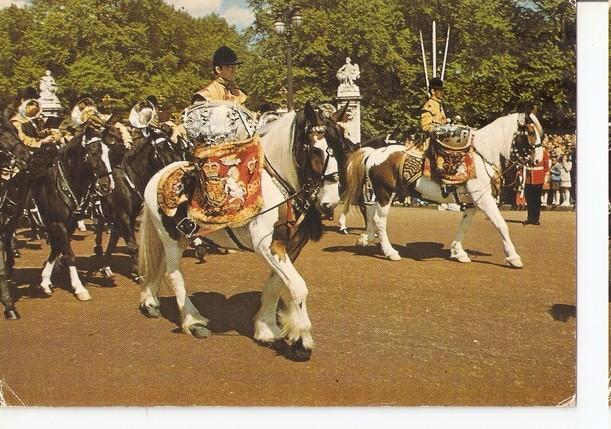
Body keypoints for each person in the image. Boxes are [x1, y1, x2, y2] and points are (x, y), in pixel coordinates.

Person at [523, 149, 550, 225]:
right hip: (528, 179)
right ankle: (530, 218)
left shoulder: (543, 152)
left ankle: (536, 219)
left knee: (537, 200)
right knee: (529, 200)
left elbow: (546, 167)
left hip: (538, 179)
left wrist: (545, 180)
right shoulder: (527, 152)